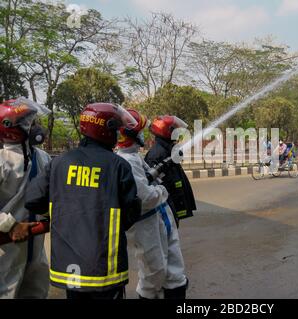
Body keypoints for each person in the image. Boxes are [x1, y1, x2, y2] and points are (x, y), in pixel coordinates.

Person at [25, 103, 142, 299]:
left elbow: (33, 199)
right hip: (105, 269)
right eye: (115, 130)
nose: (117, 135)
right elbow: (130, 213)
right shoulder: (118, 166)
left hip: (70, 269)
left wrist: (58, 214)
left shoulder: (59, 162)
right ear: (106, 130)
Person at [116, 109, 187, 299]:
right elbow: (147, 197)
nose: (142, 134)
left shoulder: (135, 157)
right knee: (153, 272)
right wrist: (162, 191)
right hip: (145, 224)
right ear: (131, 134)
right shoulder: (126, 161)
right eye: (139, 130)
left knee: (173, 268)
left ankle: (176, 289)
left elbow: (151, 179)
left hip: (159, 218)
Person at [0, 98, 51, 299]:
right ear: (12, 128)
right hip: (7, 247)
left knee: (37, 291)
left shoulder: (42, 157)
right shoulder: (3, 162)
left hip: (36, 242)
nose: (36, 127)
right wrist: (10, 225)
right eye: (29, 122)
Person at [144, 115, 194, 299]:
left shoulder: (167, 149)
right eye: (175, 130)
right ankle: (168, 285)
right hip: (165, 208)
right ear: (167, 132)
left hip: (171, 207)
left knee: (171, 245)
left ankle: (170, 283)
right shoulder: (157, 153)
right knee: (167, 249)